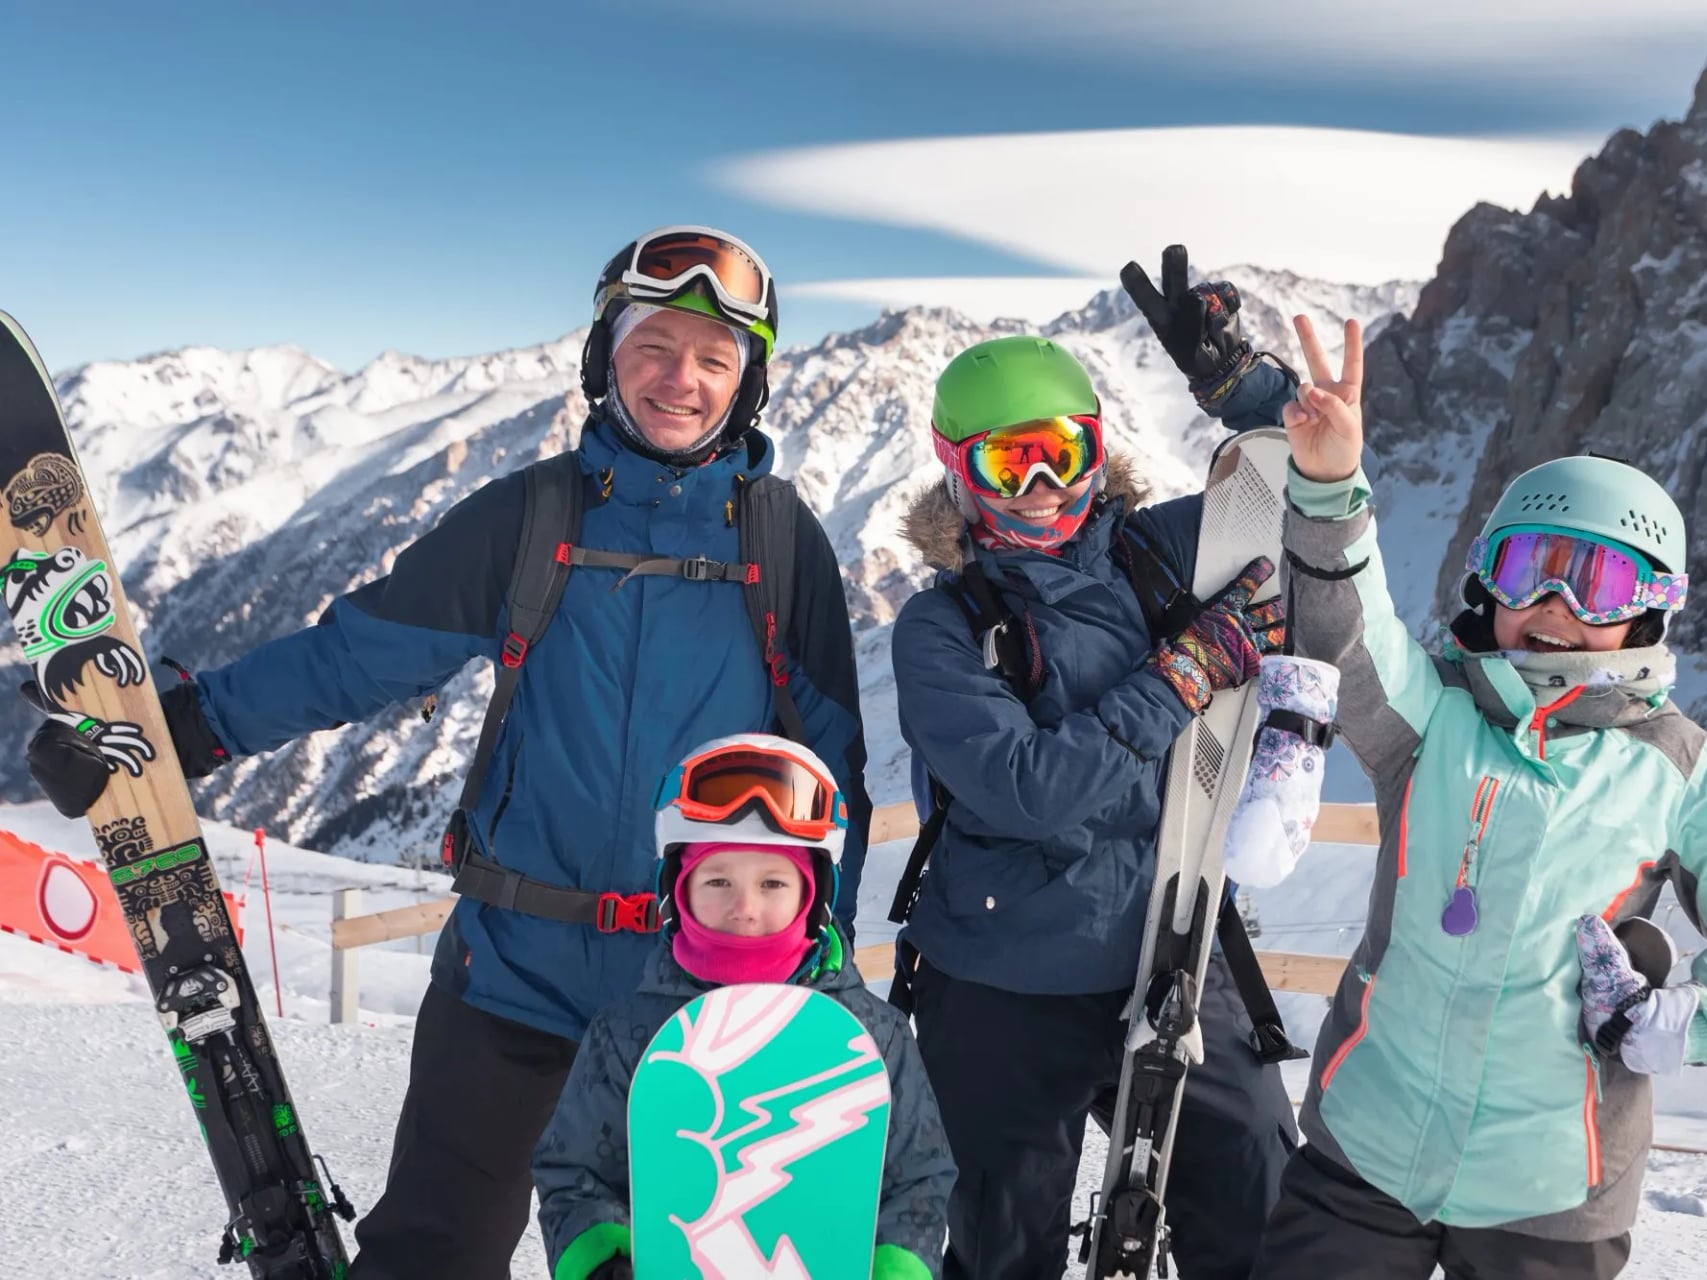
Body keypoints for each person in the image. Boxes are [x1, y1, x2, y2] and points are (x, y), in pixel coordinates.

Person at [22, 226, 872, 1278]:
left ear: (748, 383)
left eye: (713, 357)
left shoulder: (782, 547)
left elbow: (834, 773)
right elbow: (357, 655)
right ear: (605, 352)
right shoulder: (533, 517)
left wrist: (812, 964)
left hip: (697, 992)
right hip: (510, 976)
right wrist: (172, 733)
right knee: (435, 1252)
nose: (678, 380)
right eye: (653, 344)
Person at [1252, 314, 1707, 1278]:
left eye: (1597, 582)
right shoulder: (1434, 714)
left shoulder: (1680, 767)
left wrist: (1689, 1016)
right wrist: (1326, 486)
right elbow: (1346, 634)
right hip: (1366, 1151)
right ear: (1491, 583)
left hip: (1552, 1192)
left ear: (1650, 604)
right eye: (1532, 571)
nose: (1556, 609)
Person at [888, 247, 1302, 1279]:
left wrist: (1254, 397)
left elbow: (1320, 493)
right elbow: (1028, 789)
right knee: (1000, 1243)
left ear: (1097, 450)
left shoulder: (1162, 551)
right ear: (957, 470)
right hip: (1001, 978)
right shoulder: (941, 626)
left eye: (1059, 454)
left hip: (1175, 944)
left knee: (1262, 1200)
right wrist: (1182, 676)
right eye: (1004, 463)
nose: (1037, 487)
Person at [532, 733, 955, 1280]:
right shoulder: (627, 1033)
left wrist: (895, 1267)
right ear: (676, 892)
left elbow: (919, 1176)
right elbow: (574, 1171)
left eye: (774, 882)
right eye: (718, 880)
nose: (745, 907)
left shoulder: (874, 1036)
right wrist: (603, 1264)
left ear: (815, 897)